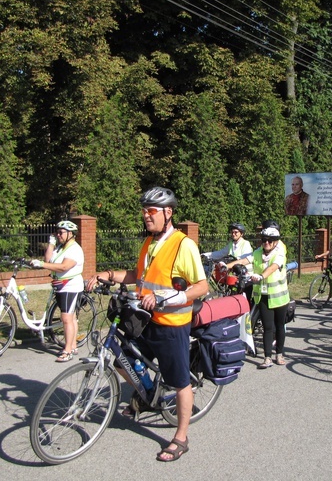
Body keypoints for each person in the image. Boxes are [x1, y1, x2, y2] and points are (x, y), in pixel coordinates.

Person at [86, 186, 208, 462]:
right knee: (121, 359)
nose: (145, 215)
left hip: (172, 324)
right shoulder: (150, 242)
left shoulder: (183, 244)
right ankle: (148, 395)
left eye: (151, 210)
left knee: (179, 382)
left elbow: (201, 286)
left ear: (168, 212)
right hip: (145, 319)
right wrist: (107, 275)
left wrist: (168, 296)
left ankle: (180, 437)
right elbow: (136, 276)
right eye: (143, 210)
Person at [227, 226, 290, 368]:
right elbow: (244, 260)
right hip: (262, 296)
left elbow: (273, 267)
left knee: (279, 326)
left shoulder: (279, 253)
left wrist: (261, 276)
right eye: (264, 240)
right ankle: (267, 358)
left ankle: (279, 354)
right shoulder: (257, 252)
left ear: (275, 242)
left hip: (279, 297)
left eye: (269, 240)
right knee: (268, 327)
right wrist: (227, 265)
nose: (266, 243)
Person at [30, 220, 85, 362]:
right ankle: (73, 345)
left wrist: (41, 265)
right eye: (57, 232)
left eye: (61, 232)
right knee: (70, 317)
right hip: (60, 286)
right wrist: (52, 243)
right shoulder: (60, 248)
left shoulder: (75, 249)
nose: (58, 235)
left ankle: (67, 351)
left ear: (70, 234)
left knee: (66, 318)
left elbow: (63, 267)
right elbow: (49, 259)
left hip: (71, 286)